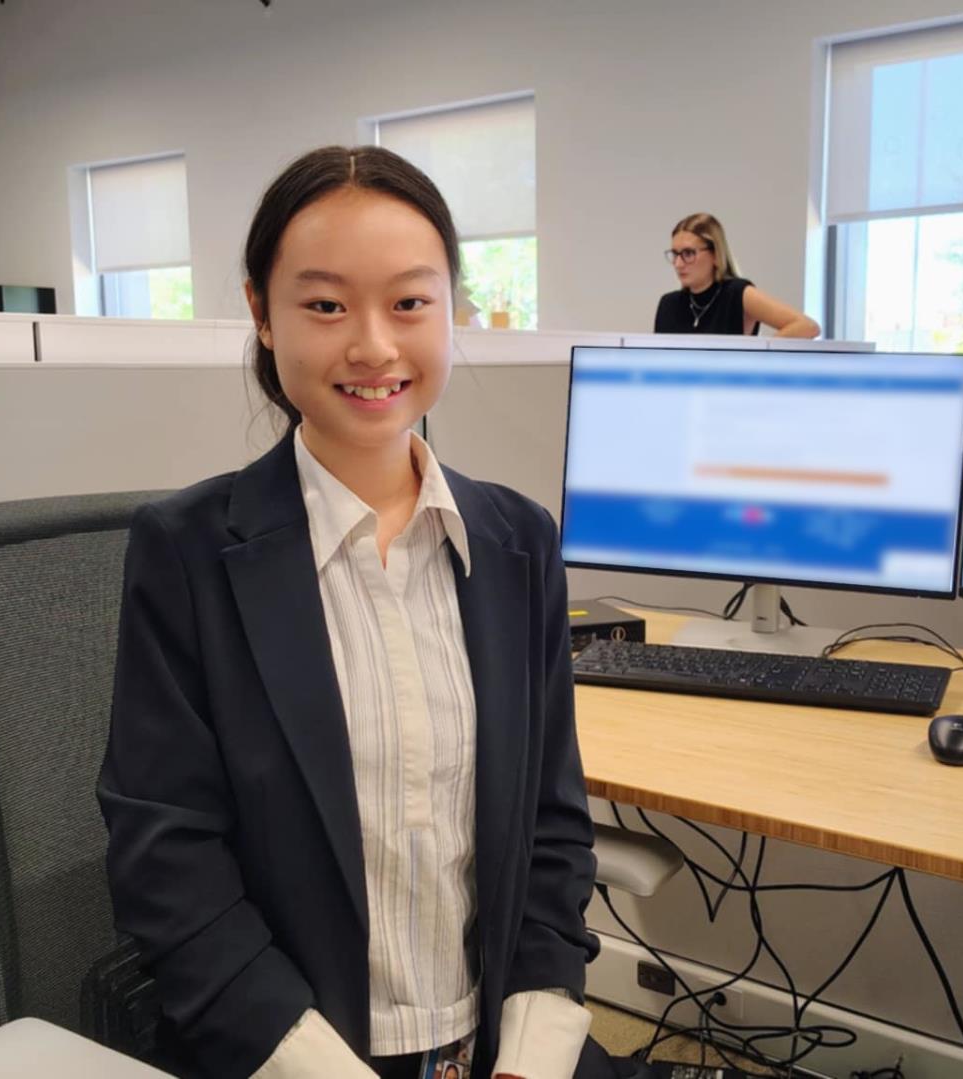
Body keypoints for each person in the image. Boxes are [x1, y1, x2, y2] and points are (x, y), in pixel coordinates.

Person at [98, 145, 607, 1079]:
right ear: (260, 310)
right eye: (326, 305)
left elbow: (550, 830)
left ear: (451, 307)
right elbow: (169, 867)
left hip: (493, 1046)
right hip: (290, 1055)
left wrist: (532, 1052)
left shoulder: (518, 544)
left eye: (410, 302)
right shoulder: (187, 552)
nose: (373, 345)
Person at [652, 212, 819, 337]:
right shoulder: (669, 304)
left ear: (716, 255)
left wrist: (753, 357)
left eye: (688, 254)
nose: (678, 263)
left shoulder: (737, 293)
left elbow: (807, 326)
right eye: (675, 254)